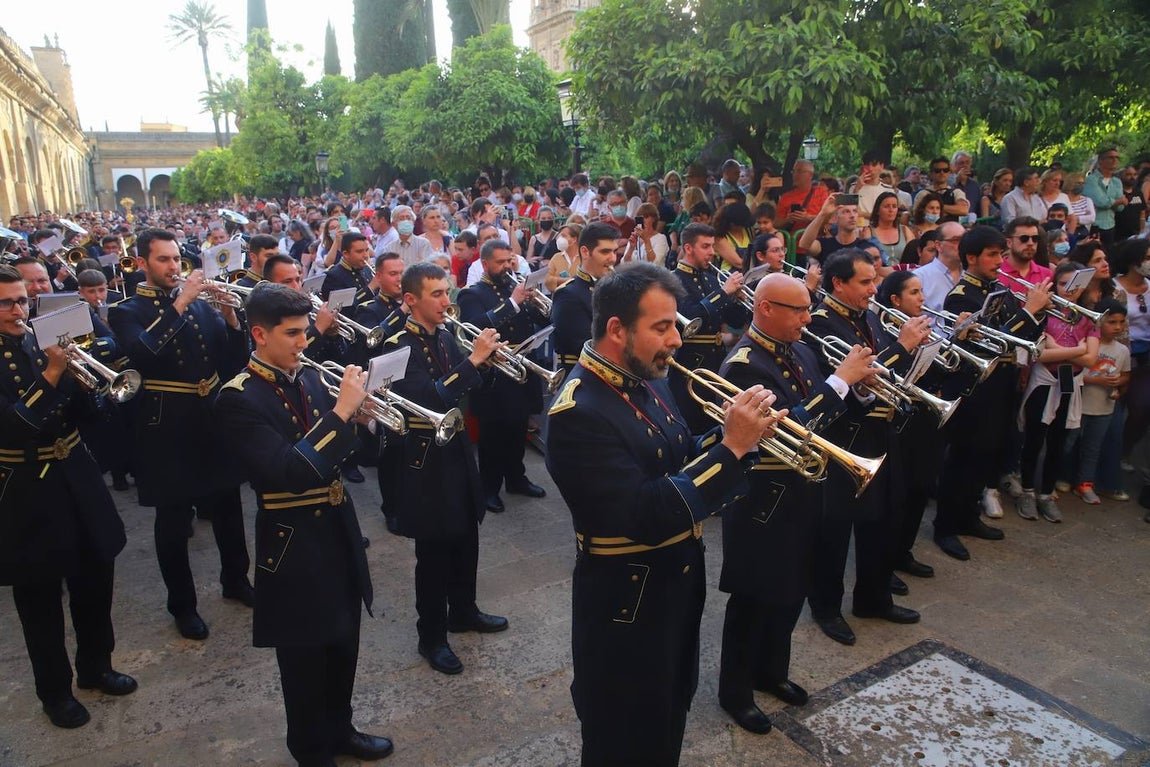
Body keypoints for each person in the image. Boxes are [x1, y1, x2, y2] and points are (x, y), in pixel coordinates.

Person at [545, 262, 778, 766]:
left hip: (675, 588)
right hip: (626, 603)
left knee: (667, 717)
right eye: (662, 326)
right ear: (616, 330)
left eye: (674, 324)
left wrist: (730, 437)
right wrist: (731, 451)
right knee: (625, 733)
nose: (676, 338)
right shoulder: (577, 412)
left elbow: (675, 452)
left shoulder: (644, 374)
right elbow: (644, 512)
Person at [214, 284, 391, 767]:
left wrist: (360, 419)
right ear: (258, 334)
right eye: (291, 334)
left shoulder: (307, 377)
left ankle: (341, 728)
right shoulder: (238, 398)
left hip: (336, 524)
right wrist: (341, 414)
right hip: (291, 538)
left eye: (305, 332)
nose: (303, 343)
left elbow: (340, 453)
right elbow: (289, 472)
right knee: (304, 656)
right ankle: (311, 750)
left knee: (343, 639)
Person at [717, 273, 873, 733]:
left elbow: (824, 412)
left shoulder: (799, 347)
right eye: (798, 310)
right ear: (765, 308)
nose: (808, 319)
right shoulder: (744, 364)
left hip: (804, 491)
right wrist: (841, 383)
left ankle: (771, 672)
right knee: (754, 598)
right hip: (762, 501)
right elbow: (780, 432)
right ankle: (736, 692)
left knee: (791, 591)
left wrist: (858, 387)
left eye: (808, 309)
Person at [0, 264, 136, 729]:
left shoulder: (41, 342)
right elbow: (14, 426)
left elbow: (88, 418)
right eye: (7, 303)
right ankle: (54, 691)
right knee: (39, 596)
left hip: (76, 471)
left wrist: (88, 383)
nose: (19, 310)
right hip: (25, 483)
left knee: (96, 575)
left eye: (22, 301)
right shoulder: (32, 355)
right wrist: (55, 372)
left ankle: (96, 666)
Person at [108, 228, 252, 640]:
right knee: (173, 520)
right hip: (166, 424)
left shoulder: (201, 306)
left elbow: (231, 359)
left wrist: (229, 318)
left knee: (228, 505)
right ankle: (182, 605)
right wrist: (183, 300)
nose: (174, 267)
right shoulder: (127, 309)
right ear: (142, 264)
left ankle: (236, 579)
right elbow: (140, 354)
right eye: (164, 260)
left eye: (177, 259)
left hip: (210, 418)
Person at [384, 263, 509, 676]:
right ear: (410, 300)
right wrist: (473, 361)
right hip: (423, 457)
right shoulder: (397, 345)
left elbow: (466, 387)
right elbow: (430, 397)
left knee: (466, 538)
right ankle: (432, 636)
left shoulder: (445, 335)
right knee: (434, 553)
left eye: (446, 292)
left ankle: (464, 610)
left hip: (455, 449)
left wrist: (487, 365)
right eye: (436, 294)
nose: (446, 301)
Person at [806, 249, 930, 646]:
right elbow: (858, 377)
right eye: (864, 282)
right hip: (844, 438)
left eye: (875, 280)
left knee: (882, 519)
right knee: (834, 531)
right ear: (838, 283)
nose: (874, 289)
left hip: (881, 432)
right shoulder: (822, 323)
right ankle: (826, 607)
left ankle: (873, 598)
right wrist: (903, 348)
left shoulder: (868, 315)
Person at [933, 226, 1050, 561]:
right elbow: (995, 339)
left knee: (987, 455)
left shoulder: (998, 288)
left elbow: (1022, 332)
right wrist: (1029, 311)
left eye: (1001, 254)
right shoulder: (960, 295)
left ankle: (969, 517)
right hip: (974, 388)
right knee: (963, 459)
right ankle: (946, 527)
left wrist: (1037, 312)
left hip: (1001, 385)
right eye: (992, 255)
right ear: (971, 258)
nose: (999, 261)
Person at [457, 239, 549, 511]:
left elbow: (542, 319)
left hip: (522, 368)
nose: (508, 265)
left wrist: (537, 303)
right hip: (494, 377)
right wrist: (513, 302)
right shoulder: (471, 293)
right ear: (485, 264)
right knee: (492, 436)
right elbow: (474, 326)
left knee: (518, 428)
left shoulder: (515, 285)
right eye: (500, 261)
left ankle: (516, 478)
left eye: (510, 260)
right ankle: (489, 487)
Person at [1016, 263, 1100, 522]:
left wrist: (1063, 351)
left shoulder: (1088, 316)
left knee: (1058, 443)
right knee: (1033, 439)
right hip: (1043, 382)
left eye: (1075, 284)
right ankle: (1028, 491)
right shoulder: (1043, 314)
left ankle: (1047, 493)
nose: (1069, 290)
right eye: (1063, 283)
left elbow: (1091, 359)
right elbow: (1040, 354)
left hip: (1071, 384)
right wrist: (1078, 349)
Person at [670, 223, 751, 434]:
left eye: (713, 246)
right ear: (688, 248)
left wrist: (738, 300)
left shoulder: (710, 278)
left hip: (717, 360)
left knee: (716, 422)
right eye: (706, 246)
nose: (712, 253)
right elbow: (691, 316)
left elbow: (734, 320)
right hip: (690, 362)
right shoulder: (673, 279)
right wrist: (724, 293)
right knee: (693, 423)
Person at [1072, 299, 1131, 504]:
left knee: (1093, 447)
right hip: (1080, 404)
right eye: (1111, 322)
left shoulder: (1122, 351)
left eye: (1121, 322)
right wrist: (1097, 380)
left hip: (1104, 407)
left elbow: (1126, 375)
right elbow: (1076, 373)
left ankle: (1085, 483)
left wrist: (1118, 384)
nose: (1117, 327)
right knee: (1069, 443)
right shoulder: (1086, 344)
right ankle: (1062, 477)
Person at [553, 222, 619, 374]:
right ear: (585, 252)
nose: (612, 258)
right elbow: (587, 346)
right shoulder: (568, 294)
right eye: (605, 252)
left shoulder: (612, 288)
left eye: (614, 252)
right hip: (584, 379)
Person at [1084, 147, 1127, 248]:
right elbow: (1101, 202)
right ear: (1101, 161)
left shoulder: (1117, 181)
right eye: (1111, 157)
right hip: (1094, 226)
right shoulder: (1091, 180)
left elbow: (1120, 208)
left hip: (1110, 225)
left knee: (1109, 255)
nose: (1115, 160)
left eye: (1117, 158)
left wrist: (1114, 203)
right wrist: (1119, 201)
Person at [776, 160, 829, 232]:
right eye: (793, 171)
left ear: (810, 175)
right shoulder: (785, 197)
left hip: (815, 241)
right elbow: (776, 223)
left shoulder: (821, 192)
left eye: (799, 171)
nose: (795, 175)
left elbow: (828, 219)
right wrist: (787, 220)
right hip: (792, 241)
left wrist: (808, 217)